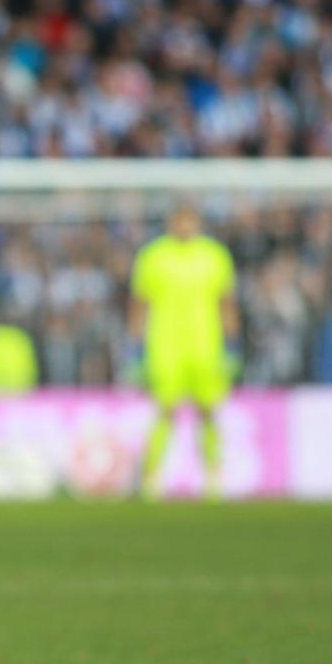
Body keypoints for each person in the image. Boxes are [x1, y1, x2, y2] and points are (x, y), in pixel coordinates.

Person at [128, 205, 239, 499]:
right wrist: (135, 348)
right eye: (180, 220)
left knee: (209, 410)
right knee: (165, 410)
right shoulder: (153, 255)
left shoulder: (215, 255)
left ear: (197, 222)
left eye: (190, 220)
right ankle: (151, 478)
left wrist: (232, 344)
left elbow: (226, 301)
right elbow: (140, 303)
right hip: (165, 345)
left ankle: (214, 476)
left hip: (206, 344)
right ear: (171, 221)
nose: (185, 225)